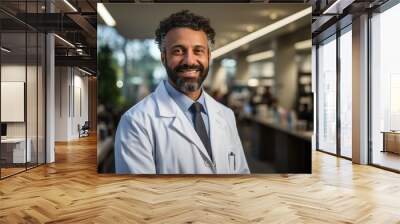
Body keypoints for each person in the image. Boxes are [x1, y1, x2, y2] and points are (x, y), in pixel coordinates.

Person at [114, 10, 250, 174]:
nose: (190, 61)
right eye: (178, 51)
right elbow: (140, 196)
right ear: (163, 57)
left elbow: (241, 177)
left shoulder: (226, 115)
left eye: (198, 50)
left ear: (208, 56)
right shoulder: (136, 122)